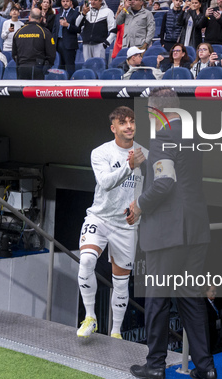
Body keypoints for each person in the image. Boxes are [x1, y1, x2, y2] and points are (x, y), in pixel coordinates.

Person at [127, 88, 215, 379]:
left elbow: (165, 183)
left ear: (156, 111)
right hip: (196, 228)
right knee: (191, 300)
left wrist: (139, 205)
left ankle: (155, 367)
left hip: (168, 232)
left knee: (158, 300)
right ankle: (206, 368)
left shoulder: (163, 136)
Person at [76, 106, 147, 340]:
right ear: (113, 128)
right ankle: (90, 317)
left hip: (126, 225)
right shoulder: (101, 152)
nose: (129, 126)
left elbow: (155, 190)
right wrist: (129, 166)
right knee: (86, 260)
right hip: (100, 217)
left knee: (121, 281)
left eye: (132, 121)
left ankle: (115, 332)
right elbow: (105, 183)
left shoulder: (145, 154)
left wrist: (140, 208)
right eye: (123, 122)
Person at [12, 7, 56, 79]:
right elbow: (51, 53)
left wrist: (20, 63)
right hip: (38, 67)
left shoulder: (18, 32)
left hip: (22, 67)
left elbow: (14, 53)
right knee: (36, 90)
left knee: (23, 89)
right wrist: (47, 66)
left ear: (29, 18)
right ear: (41, 19)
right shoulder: (44, 32)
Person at [51, 0, 80, 77]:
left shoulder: (76, 14)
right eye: (63, 1)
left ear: (71, 2)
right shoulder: (58, 14)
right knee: (60, 66)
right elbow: (54, 30)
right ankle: (60, 83)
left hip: (69, 44)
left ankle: (71, 84)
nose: (65, 3)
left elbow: (78, 29)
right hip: (58, 43)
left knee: (70, 66)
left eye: (67, 1)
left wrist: (68, 25)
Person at [203, 285, 221, 354]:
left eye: (215, 291)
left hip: (214, 333)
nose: (215, 293)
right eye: (212, 291)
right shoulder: (204, 305)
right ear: (206, 292)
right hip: (208, 335)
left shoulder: (215, 302)